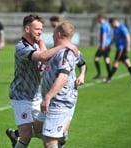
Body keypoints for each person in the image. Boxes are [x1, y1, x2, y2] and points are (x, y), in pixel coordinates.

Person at [7, 14, 78, 148]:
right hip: (21, 95)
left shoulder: (38, 44)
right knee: (27, 136)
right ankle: (19, 136)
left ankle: (14, 134)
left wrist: (41, 42)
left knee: (48, 133)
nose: (40, 32)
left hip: (37, 95)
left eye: (41, 29)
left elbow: (46, 59)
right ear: (27, 29)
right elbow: (42, 56)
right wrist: (64, 45)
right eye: (37, 29)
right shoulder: (21, 47)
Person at [39, 20, 80, 148]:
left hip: (58, 101)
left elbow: (62, 77)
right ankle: (62, 134)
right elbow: (82, 62)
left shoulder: (65, 53)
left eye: (53, 31)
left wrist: (48, 97)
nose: (51, 34)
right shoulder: (63, 50)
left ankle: (61, 135)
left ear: (59, 34)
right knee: (36, 128)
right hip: (59, 101)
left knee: (49, 141)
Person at [103, 17, 131, 84]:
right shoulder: (115, 29)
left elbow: (128, 37)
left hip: (121, 49)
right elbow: (115, 38)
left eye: (111, 24)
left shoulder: (122, 28)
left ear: (114, 22)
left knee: (115, 63)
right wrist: (109, 44)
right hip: (119, 48)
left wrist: (128, 47)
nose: (111, 26)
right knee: (127, 63)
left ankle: (108, 78)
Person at [93, 13, 111, 79]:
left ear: (101, 18)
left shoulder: (103, 26)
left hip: (104, 45)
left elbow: (104, 35)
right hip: (108, 45)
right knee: (107, 59)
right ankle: (109, 74)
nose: (97, 20)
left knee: (96, 58)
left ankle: (99, 73)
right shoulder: (107, 25)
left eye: (98, 19)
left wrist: (102, 45)